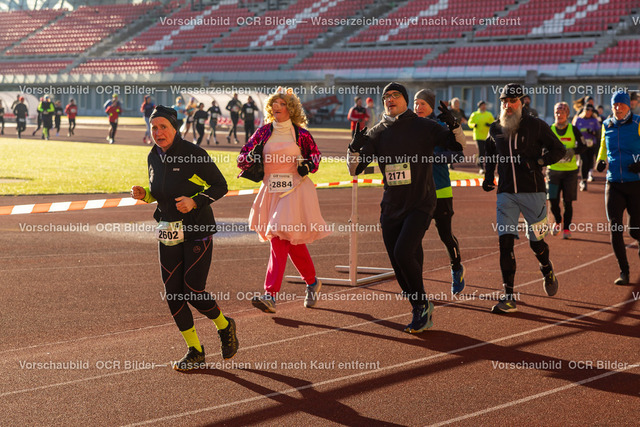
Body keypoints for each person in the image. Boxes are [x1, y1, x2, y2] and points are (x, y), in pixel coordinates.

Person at [348, 82, 465, 333]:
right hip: (391, 206)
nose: (390, 99)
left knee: (403, 253)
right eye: (386, 97)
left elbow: (458, 147)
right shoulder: (377, 132)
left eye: (395, 95)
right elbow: (355, 170)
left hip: (421, 202)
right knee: (398, 262)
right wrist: (353, 149)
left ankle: (421, 305)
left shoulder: (424, 126)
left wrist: (454, 125)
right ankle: (419, 306)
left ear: (405, 99)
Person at [131, 105, 238, 370]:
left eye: (163, 127)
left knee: (193, 291)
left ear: (175, 128)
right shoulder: (153, 156)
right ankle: (195, 351)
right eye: (154, 127)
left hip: (196, 230)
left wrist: (194, 201)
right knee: (173, 295)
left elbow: (220, 185)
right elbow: (162, 193)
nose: (158, 132)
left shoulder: (193, 153)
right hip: (168, 231)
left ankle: (224, 325)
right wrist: (145, 194)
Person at [238, 87, 329, 313]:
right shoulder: (263, 132)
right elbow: (242, 159)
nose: (276, 107)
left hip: (295, 189)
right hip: (270, 189)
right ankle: (312, 282)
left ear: (291, 108)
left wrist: (308, 165)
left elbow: (315, 156)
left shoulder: (301, 134)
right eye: (274, 103)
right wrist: (250, 157)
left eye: (282, 103)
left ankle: (270, 295)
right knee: (291, 242)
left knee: (279, 236)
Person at [482, 83, 566, 313]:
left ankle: (546, 267)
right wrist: (488, 176)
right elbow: (489, 153)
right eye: (504, 101)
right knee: (505, 242)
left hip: (534, 192)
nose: (508, 105)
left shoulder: (536, 126)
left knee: (536, 242)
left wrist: (538, 162)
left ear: (522, 102)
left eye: (512, 101)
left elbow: (559, 150)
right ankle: (509, 297)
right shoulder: (495, 128)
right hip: (506, 193)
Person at [414, 88, 467, 295]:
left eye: (423, 104)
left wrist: (433, 158)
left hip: (441, 190)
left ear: (430, 106)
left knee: (445, 234)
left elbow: (458, 155)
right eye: (416, 103)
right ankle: (415, 281)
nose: (418, 107)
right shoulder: (409, 127)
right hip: (418, 192)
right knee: (414, 237)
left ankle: (456, 268)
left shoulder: (440, 127)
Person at [595, 91, 640, 286]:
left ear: (629, 106)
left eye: (621, 105)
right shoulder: (607, 124)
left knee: (636, 231)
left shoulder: (638, 123)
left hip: (636, 183)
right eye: (615, 104)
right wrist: (600, 160)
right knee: (615, 228)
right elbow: (603, 146)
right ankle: (624, 272)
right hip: (614, 183)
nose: (618, 108)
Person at [547, 102, 586, 239]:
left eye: (562, 112)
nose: (559, 115)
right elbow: (542, 147)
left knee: (567, 202)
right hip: (553, 171)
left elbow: (583, 146)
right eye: (557, 112)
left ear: (567, 114)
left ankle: (567, 229)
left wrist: (573, 150)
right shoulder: (549, 129)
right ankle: (558, 220)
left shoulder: (573, 129)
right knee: (552, 200)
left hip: (570, 172)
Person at [573, 104, 601, 190]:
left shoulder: (594, 120)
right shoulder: (578, 120)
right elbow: (574, 131)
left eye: (590, 111)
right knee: (584, 161)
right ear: (584, 111)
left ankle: (588, 176)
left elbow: (599, 133)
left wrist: (592, 132)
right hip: (582, 145)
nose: (588, 112)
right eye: (587, 110)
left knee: (589, 161)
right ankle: (583, 180)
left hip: (591, 144)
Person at [468, 100, 495, 174]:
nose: (484, 107)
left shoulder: (489, 114)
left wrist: (489, 124)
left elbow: (493, 122)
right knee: (481, 151)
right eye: (482, 105)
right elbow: (470, 122)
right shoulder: (475, 114)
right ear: (479, 106)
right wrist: (473, 125)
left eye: (484, 105)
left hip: (487, 136)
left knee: (486, 152)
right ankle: (482, 168)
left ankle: (481, 161)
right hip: (478, 136)